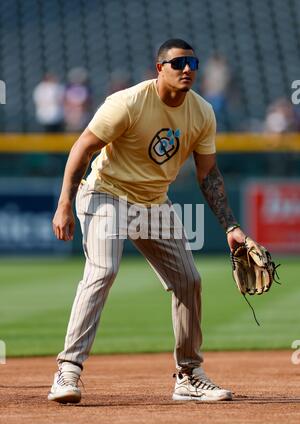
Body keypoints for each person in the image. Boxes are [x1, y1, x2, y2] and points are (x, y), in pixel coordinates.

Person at [48, 38, 246, 404]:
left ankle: (188, 376)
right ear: (160, 68)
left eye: (193, 63)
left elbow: (209, 176)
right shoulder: (129, 102)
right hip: (106, 192)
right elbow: (83, 147)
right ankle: (68, 370)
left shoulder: (202, 113)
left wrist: (231, 227)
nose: (187, 69)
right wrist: (64, 203)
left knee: (188, 280)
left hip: (154, 202)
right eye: (178, 63)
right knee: (103, 270)